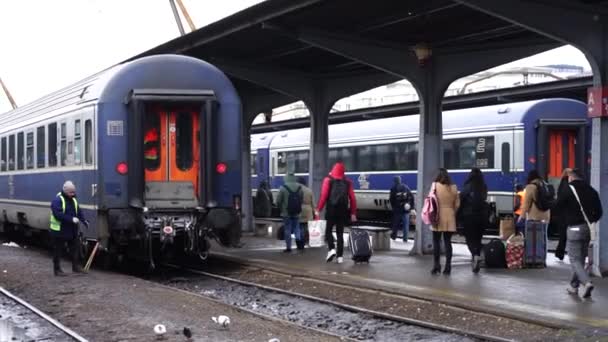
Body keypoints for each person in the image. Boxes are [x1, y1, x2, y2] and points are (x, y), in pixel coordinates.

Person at [553, 169, 602, 298]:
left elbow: (557, 206)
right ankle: (574, 286)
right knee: (580, 259)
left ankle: (586, 282)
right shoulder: (592, 190)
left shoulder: (568, 189)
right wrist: (591, 220)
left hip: (574, 228)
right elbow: (599, 212)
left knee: (574, 259)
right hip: (588, 228)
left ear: (571, 177)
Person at [315, 162, 357, 264]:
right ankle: (340, 257)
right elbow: (352, 198)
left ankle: (331, 249)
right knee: (340, 233)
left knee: (328, 231)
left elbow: (324, 196)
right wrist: (353, 213)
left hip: (331, 210)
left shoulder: (328, 180)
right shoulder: (348, 182)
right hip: (342, 211)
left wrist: (318, 209)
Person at [49, 181, 87, 276]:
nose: (73, 194)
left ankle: (76, 267)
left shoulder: (73, 199)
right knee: (58, 250)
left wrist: (84, 220)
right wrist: (71, 219)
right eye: (71, 192)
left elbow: (78, 211)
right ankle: (57, 270)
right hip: (59, 230)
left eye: (73, 192)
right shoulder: (58, 200)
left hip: (71, 230)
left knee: (75, 248)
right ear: (65, 191)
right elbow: (58, 215)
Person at [430, 168, 460, 275]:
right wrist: (451, 212)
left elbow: (431, 201)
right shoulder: (454, 187)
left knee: (436, 242)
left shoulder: (435, 186)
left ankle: (436, 265)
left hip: (437, 217)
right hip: (450, 216)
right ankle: (448, 266)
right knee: (448, 242)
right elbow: (457, 205)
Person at [459, 168, 488, 273]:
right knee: (478, 239)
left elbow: (461, 199)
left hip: (469, 216)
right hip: (482, 217)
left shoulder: (468, 186)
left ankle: (475, 256)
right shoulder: (483, 186)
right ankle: (477, 256)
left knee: (470, 239)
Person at [276, 173, 303, 253]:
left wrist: (281, 208)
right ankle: (299, 242)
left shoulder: (283, 188)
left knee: (287, 229)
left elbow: (278, 201)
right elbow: (301, 199)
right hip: (296, 212)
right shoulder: (299, 187)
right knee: (297, 228)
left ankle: (288, 247)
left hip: (286, 212)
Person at [552, 168, 572, 261]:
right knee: (565, 235)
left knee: (563, 235)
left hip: (561, 214)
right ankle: (560, 253)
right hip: (565, 214)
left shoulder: (562, 183)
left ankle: (559, 253)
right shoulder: (567, 184)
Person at [389, 176, 414, 242]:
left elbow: (391, 200)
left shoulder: (393, 188)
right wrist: (411, 207)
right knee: (406, 226)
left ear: (394, 181)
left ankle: (394, 237)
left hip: (397, 210)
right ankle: (405, 239)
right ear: (400, 180)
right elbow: (412, 197)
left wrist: (393, 208)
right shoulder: (406, 187)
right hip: (406, 210)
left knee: (395, 225)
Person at [298, 177, 315, 249]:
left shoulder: (297, 190)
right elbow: (313, 203)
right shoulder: (309, 191)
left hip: (299, 209)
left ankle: (300, 242)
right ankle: (304, 241)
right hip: (308, 210)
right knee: (306, 227)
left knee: (300, 226)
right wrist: (314, 212)